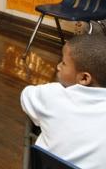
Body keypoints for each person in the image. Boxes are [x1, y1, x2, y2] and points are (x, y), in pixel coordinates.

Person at [21, 34, 106, 169]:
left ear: (84, 78)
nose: (58, 66)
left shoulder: (52, 94)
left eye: (64, 63)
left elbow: (26, 95)